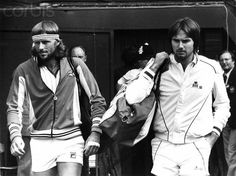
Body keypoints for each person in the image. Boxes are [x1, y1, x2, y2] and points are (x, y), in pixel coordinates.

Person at [125, 17, 230, 176]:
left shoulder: (211, 67)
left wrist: (213, 135)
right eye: (176, 41)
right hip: (163, 144)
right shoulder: (159, 67)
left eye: (186, 41)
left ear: (195, 42)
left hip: (197, 144)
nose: (180, 46)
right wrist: (153, 66)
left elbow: (222, 104)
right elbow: (132, 97)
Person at [6, 20, 106, 176]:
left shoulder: (75, 64)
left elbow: (97, 100)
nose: (40, 47)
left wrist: (95, 133)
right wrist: (15, 136)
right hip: (40, 141)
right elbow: (13, 107)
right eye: (36, 43)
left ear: (58, 41)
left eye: (45, 42)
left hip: (71, 138)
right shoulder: (24, 70)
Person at [219, 50, 236, 176]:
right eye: (222, 60)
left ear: (233, 60)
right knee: (227, 151)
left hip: (235, 122)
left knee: (232, 151)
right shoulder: (220, 77)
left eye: (227, 59)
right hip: (225, 122)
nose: (224, 62)